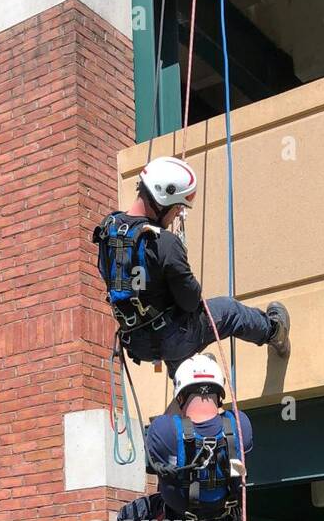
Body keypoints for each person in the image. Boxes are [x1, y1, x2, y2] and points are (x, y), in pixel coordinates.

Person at [94, 156, 290, 377]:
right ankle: (275, 332)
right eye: (177, 206)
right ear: (162, 200)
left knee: (180, 355)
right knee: (229, 310)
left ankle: (191, 384)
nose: (179, 212)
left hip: (136, 342)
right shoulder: (164, 243)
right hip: (172, 338)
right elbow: (190, 301)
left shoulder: (107, 231)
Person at [116, 353, 252, 521]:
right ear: (219, 393)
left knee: (127, 518)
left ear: (180, 395)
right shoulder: (241, 426)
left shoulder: (165, 429)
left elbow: (150, 463)